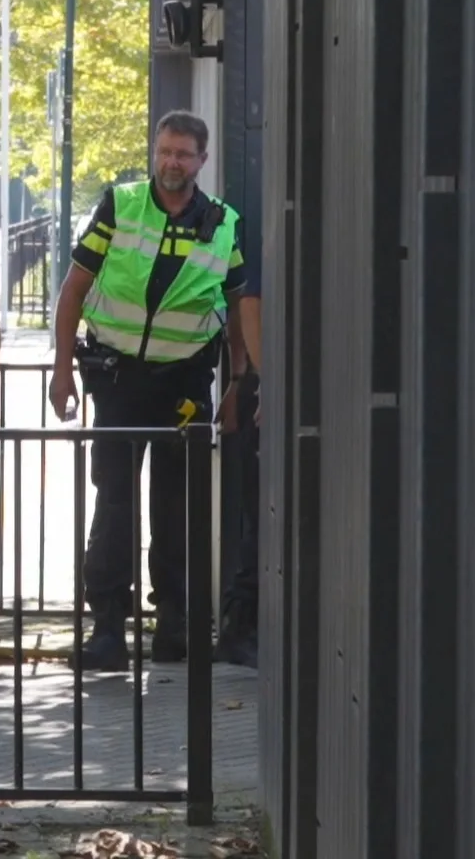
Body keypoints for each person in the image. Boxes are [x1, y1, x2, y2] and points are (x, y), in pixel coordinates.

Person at [49, 110, 247, 672]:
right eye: (165, 151)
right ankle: (109, 626)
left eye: (183, 154)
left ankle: (175, 628)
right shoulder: (121, 204)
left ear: (202, 160)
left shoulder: (224, 224)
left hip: (185, 382)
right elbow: (73, 290)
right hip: (117, 379)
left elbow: (236, 316)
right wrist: (62, 370)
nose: (172, 162)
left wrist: (236, 385)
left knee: (177, 506)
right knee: (114, 502)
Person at [216, 215, 262, 668]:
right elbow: (249, 302)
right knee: (260, 520)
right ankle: (238, 628)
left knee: (263, 519)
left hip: (262, 393)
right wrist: (263, 380)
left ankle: (242, 627)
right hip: (263, 399)